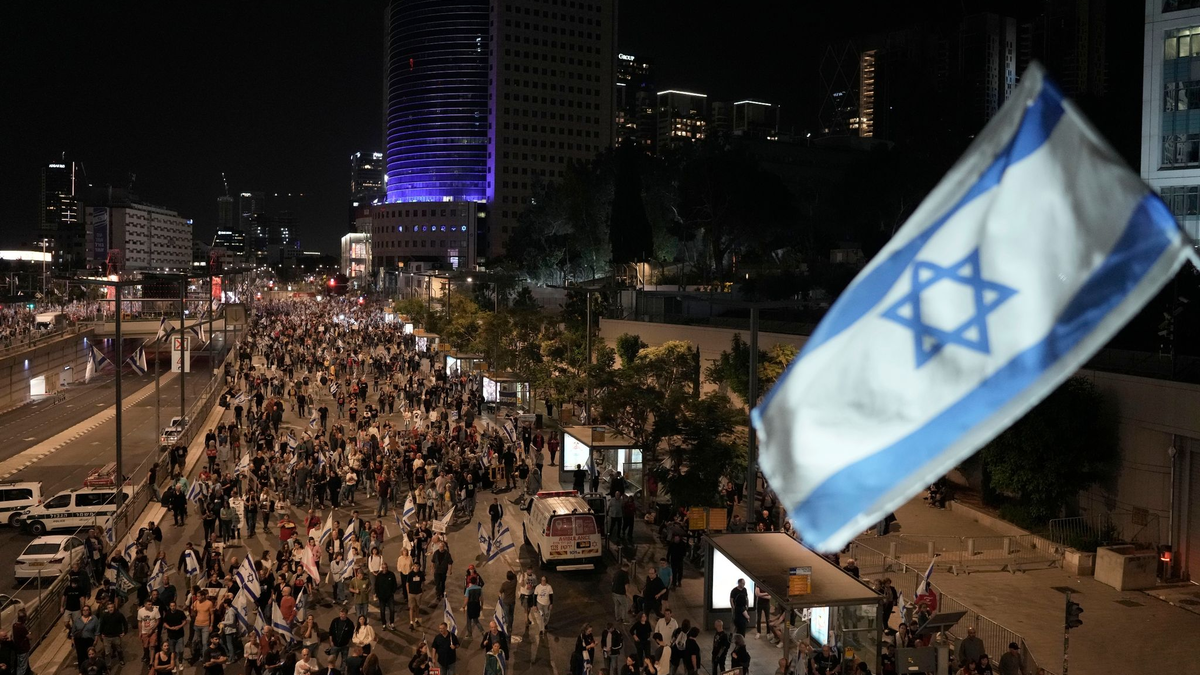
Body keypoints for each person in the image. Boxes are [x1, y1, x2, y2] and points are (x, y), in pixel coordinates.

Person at [375, 563, 398, 631]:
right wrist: (378, 594)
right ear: (381, 568)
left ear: (387, 567)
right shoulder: (379, 576)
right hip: (381, 597)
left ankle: (392, 623)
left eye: (385, 567)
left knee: (392, 610)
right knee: (382, 611)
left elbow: (395, 584)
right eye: (383, 568)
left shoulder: (391, 574)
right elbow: (376, 586)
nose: (384, 569)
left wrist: (393, 592)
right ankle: (384, 624)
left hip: (390, 596)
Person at [407, 563, 425, 629]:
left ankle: (416, 619)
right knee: (411, 607)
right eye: (415, 566)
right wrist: (408, 592)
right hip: (411, 593)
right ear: (413, 567)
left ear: (419, 567)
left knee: (417, 607)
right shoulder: (410, 574)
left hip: (418, 593)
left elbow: (423, 582)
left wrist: (422, 591)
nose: (416, 567)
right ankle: (411, 621)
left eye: (417, 566)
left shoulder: (421, 574)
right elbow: (407, 583)